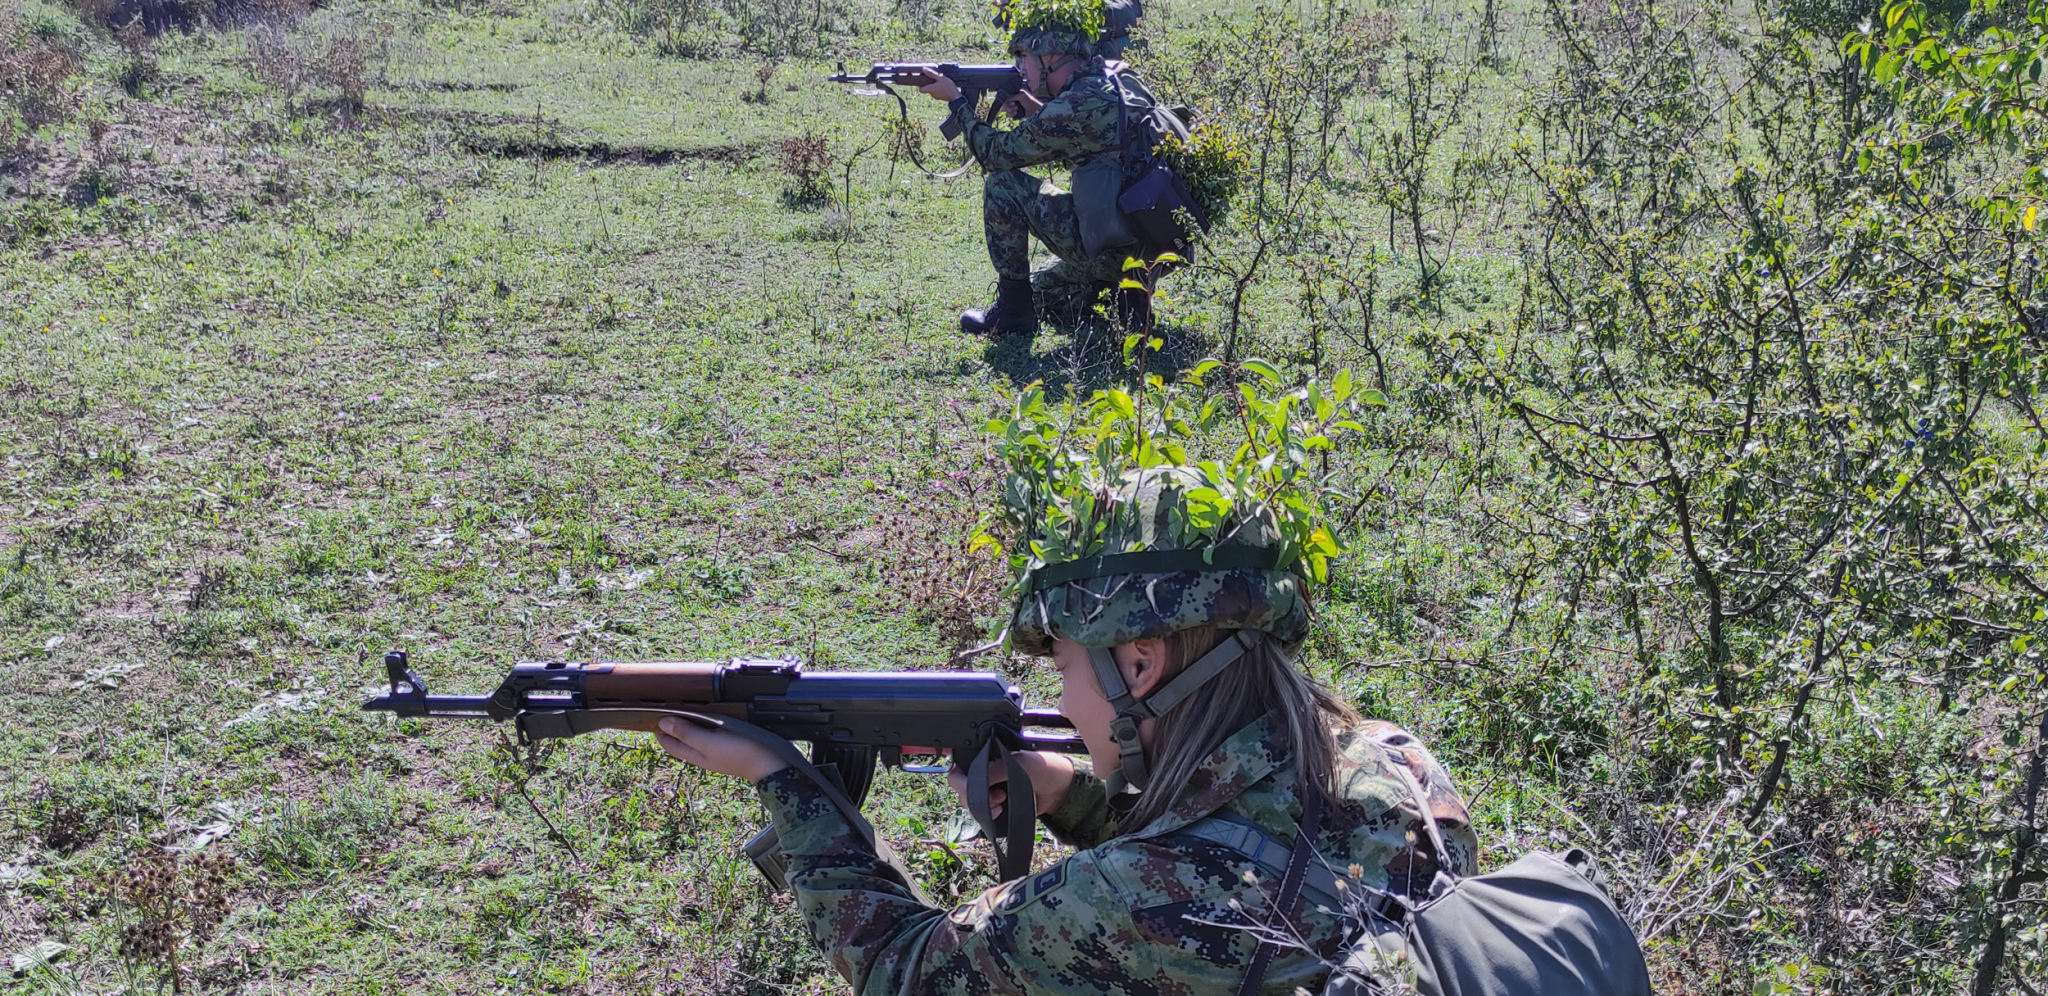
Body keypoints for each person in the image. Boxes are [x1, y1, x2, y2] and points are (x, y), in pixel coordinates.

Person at [654, 467, 1478, 995]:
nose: (1065, 698)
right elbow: (1249, 843)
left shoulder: (1128, 901)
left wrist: (786, 783)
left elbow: (904, 970)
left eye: (1066, 669)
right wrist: (1077, 802)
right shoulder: (1396, 763)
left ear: (1143, 665)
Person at [914, 0, 1185, 338]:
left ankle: (1014, 314)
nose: (1020, 70)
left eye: (1023, 58)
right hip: (1156, 246)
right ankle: (1126, 294)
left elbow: (995, 154)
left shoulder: (1071, 108)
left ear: (1050, 57)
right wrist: (1039, 110)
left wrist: (956, 102)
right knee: (1045, 293)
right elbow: (1096, 139)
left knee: (1002, 185)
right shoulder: (1118, 80)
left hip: (1114, 248)